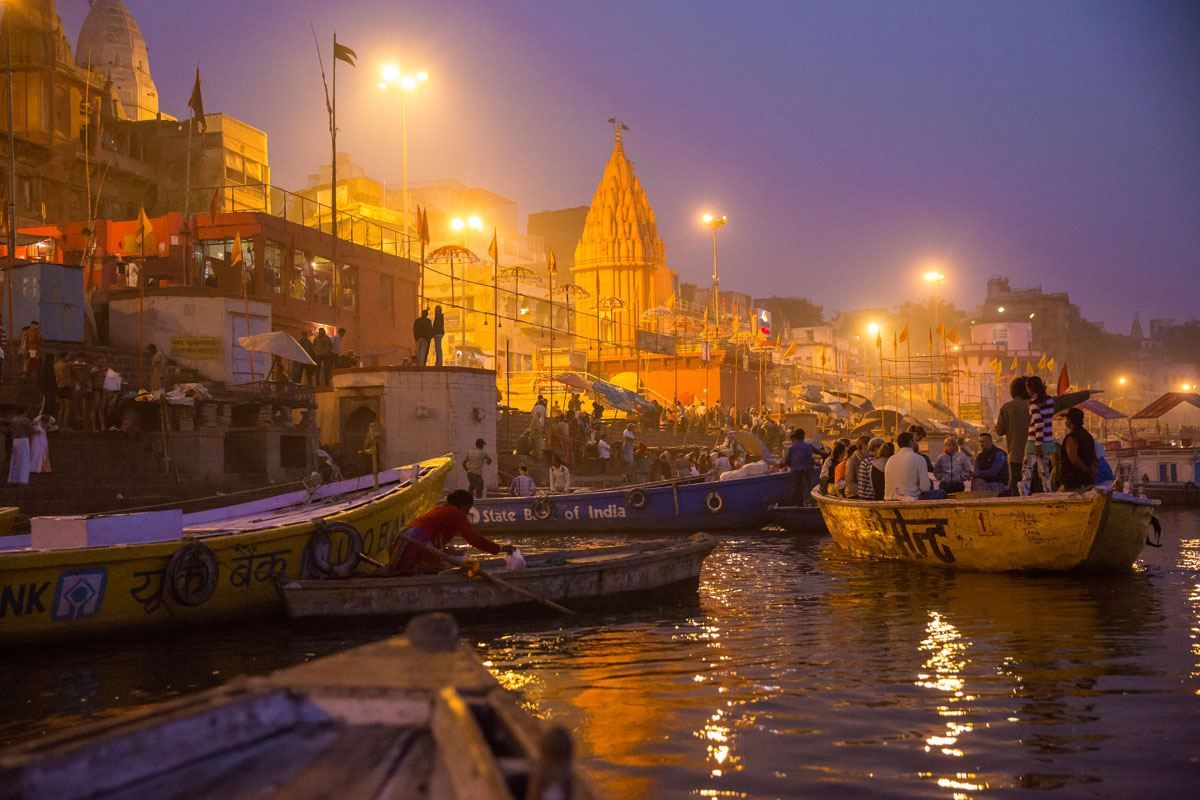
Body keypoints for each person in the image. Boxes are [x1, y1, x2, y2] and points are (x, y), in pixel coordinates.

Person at [376, 490, 513, 576]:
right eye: (468, 509)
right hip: (414, 540)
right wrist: (500, 548)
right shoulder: (457, 513)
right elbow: (473, 539)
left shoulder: (442, 509)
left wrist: (448, 552)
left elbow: (435, 540)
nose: (468, 513)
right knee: (438, 570)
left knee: (407, 570)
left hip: (403, 537)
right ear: (462, 506)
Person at [1020, 376, 1055, 496]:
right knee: (1044, 470)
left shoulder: (1033, 402)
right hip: (1048, 439)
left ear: (1030, 388)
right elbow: (1047, 421)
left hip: (1035, 441)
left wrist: (1038, 443)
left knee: (1027, 470)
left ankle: (1024, 494)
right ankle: (1048, 492)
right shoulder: (1050, 400)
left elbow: (1038, 423)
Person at [885, 431, 946, 500]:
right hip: (911, 498)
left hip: (890, 498)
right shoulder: (919, 459)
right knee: (941, 492)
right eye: (915, 441)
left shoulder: (890, 459)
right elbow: (925, 488)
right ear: (911, 442)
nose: (917, 443)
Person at [1058, 407, 1098, 491]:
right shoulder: (1088, 436)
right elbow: (1094, 456)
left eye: (1067, 419)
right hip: (1087, 481)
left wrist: (1087, 470)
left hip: (1073, 481)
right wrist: (1091, 471)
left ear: (1070, 420)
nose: (1065, 421)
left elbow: (1074, 459)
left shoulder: (1071, 437)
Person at [784, 428, 823, 506]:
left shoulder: (792, 448)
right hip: (807, 469)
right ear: (803, 437)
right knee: (808, 487)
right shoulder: (808, 446)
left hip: (796, 470)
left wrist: (792, 466)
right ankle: (809, 504)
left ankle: (797, 505)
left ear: (796, 438)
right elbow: (819, 453)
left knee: (797, 489)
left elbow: (787, 461)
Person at [7, 409, 33, 486]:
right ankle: (22, 479)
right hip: (23, 440)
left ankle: (13, 479)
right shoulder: (25, 420)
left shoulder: (13, 419)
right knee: (24, 460)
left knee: (15, 460)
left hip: (15, 440)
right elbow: (31, 429)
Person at [54, 354, 72, 429]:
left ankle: (59, 425)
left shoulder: (55, 365)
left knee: (61, 408)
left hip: (59, 387)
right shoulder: (66, 365)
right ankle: (65, 427)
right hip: (66, 386)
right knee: (67, 408)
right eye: (67, 357)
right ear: (64, 357)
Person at [530, 396, 547, 461]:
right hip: (539, 428)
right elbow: (546, 416)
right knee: (538, 445)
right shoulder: (544, 408)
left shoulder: (535, 407)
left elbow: (531, 414)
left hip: (535, 432)